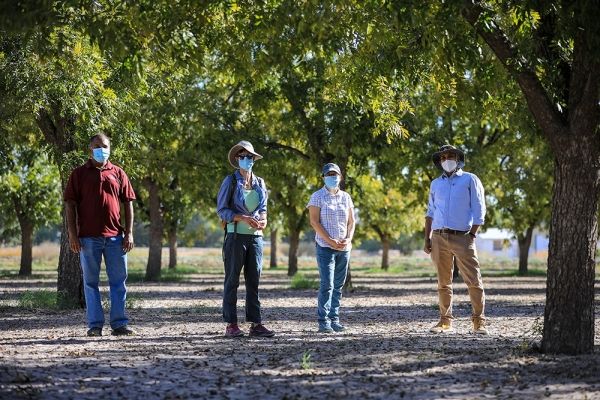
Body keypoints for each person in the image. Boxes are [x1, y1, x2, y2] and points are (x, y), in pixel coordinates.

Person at [64, 133, 136, 337]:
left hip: (116, 238)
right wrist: (73, 235)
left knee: (119, 283)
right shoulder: (79, 174)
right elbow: (70, 204)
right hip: (88, 239)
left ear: (109, 148)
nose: (101, 149)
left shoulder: (118, 173)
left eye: (104, 146)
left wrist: (129, 233)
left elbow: (128, 203)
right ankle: (95, 325)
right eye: (97, 146)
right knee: (90, 283)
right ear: (90, 149)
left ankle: (119, 324)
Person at [424, 144, 488, 335]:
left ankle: (479, 322)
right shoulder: (436, 184)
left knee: (473, 280)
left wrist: (472, 234)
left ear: (458, 159)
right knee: (443, 282)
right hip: (438, 237)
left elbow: (479, 209)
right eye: (443, 157)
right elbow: (430, 212)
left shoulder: (470, 179)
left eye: (450, 156)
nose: (447, 160)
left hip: (463, 237)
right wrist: (427, 238)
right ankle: (445, 321)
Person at [216, 140, 275, 338]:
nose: (247, 159)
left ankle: (256, 324)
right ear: (237, 159)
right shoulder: (230, 181)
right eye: (243, 156)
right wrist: (242, 217)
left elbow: (264, 209)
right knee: (232, 280)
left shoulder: (260, 183)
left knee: (254, 281)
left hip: (256, 238)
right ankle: (231, 324)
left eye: (250, 156)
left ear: (254, 159)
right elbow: (222, 210)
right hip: (235, 237)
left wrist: (264, 221)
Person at [307, 163, 355, 333]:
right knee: (327, 284)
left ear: (340, 177)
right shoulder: (317, 196)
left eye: (335, 175)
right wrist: (330, 241)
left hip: (344, 248)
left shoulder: (346, 197)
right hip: (325, 247)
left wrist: (348, 238)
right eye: (329, 175)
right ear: (323, 178)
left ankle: (334, 319)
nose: (332, 177)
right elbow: (314, 222)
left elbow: (352, 221)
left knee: (338, 285)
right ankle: (323, 321)